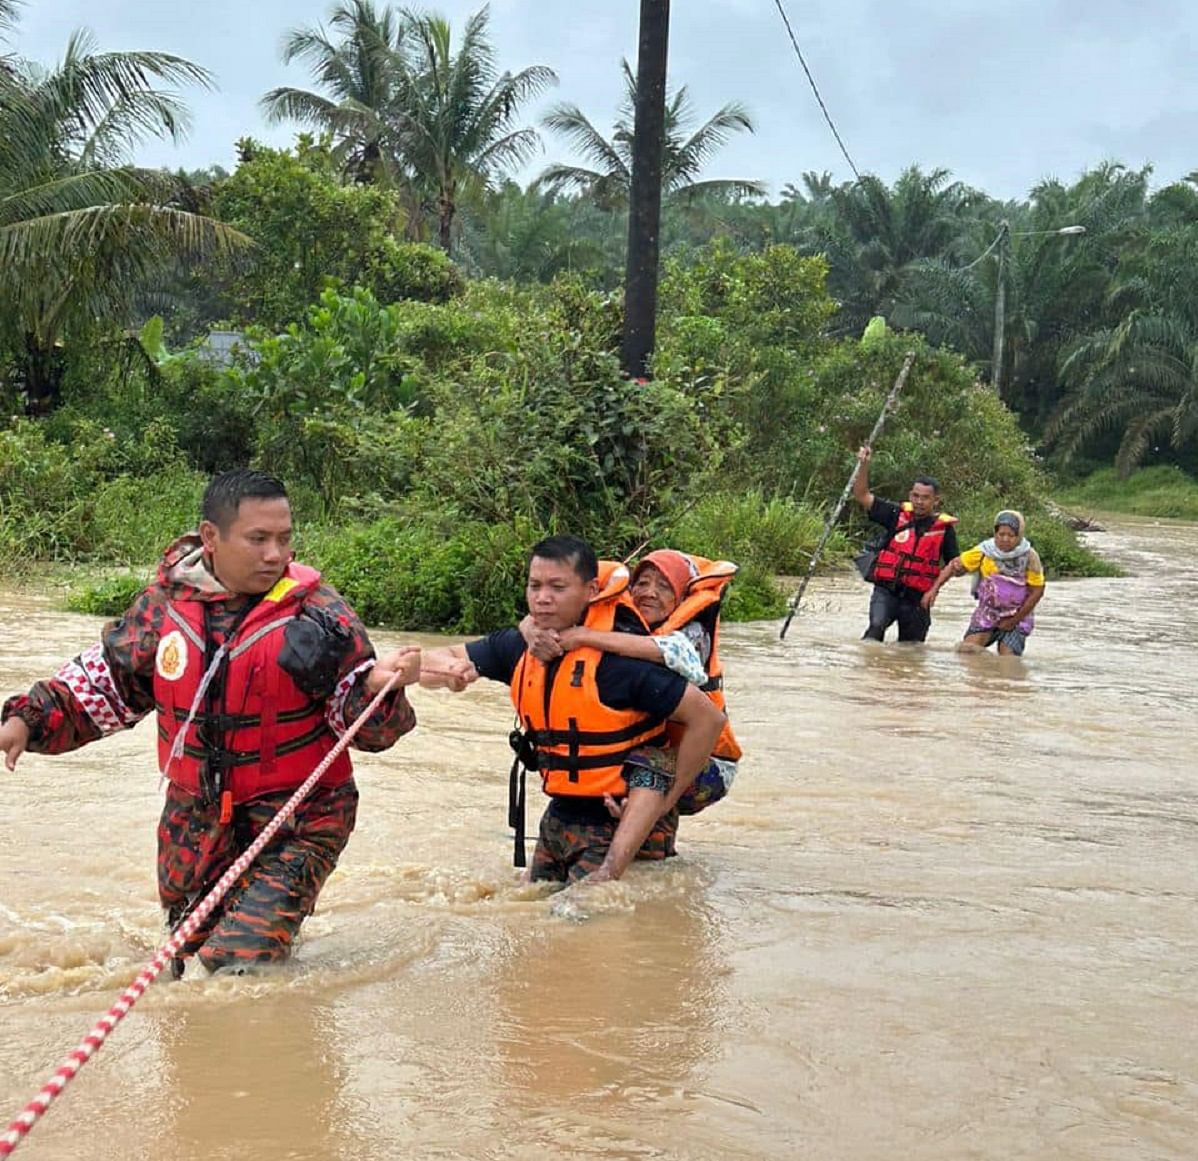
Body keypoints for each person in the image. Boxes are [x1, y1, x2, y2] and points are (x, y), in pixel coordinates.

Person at [0, 469, 421, 975]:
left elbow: (371, 728)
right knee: (183, 964)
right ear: (210, 538)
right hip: (195, 822)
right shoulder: (164, 609)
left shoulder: (318, 613)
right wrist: (25, 721)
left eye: (284, 539)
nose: (275, 554)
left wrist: (380, 688)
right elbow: (106, 684)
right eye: (258, 539)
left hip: (299, 819)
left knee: (235, 965)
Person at [421, 536, 726, 885]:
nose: (542, 597)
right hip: (561, 816)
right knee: (530, 923)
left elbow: (709, 719)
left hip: (625, 818)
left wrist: (662, 805)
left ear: (590, 590)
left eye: (557, 587)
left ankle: (613, 867)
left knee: (595, 919)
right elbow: (427, 662)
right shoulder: (521, 645)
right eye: (535, 586)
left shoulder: (620, 664)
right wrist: (448, 673)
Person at [519, 548, 741, 815]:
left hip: (710, 766)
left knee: (645, 763)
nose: (650, 592)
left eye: (664, 586)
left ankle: (653, 817)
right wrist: (530, 630)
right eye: (643, 583)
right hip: (658, 748)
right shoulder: (622, 620)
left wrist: (584, 636)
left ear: (681, 597)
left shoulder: (694, 634)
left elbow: (672, 652)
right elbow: (543, 615)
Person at [851, 444, 960, 643]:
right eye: (916, 496)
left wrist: (933, 590)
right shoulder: (895, 514)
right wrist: (863, 465)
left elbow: (953, 564)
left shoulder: (944, 530)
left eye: (925, 498)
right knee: (874, 631)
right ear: (910, 496)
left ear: (936, 500)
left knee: (911, 650)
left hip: (918, 597)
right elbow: (862, 495)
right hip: (887, 590)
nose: (919, 501)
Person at [921, 509, 1045, 656]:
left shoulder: (1029, 556)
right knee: (966, 651)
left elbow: (1037, 591)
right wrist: (934, 590)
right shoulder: (984, 551)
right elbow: (953, 566)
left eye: (1011, 535)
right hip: (988, 613)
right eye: (1001, 534)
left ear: (1019, 536)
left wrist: (1014, 620)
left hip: (1017, 615)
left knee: (1008, 660)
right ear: (995, 534)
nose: (1005, 539)